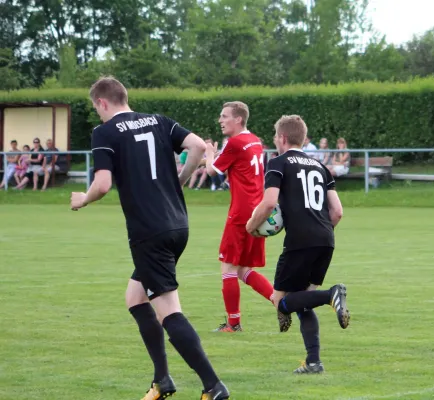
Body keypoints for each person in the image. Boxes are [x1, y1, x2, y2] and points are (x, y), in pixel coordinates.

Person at [69, 76, 230, 400]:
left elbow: (101, 184)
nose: (98, 115)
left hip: (148, 231)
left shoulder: (105, 132)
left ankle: (213, 386)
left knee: (168, 311)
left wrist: (82, 199)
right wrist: (180, 179)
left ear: (102, 102)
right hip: (177, 225)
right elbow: (198, 147)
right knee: (135, 298)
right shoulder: (159, 121)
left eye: (96, 109)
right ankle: (162, 380)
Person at [246, 115, 349, 374]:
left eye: (274, 137)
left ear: (282, 138)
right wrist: (319, 230)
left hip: (299, 241)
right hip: (326, 239)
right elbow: (337, 212)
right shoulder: (320, 166)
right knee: (303, 302)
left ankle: (331, 295)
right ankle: (314, 362)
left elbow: (269, 203)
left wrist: (250, 226)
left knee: (280, 301)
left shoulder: (278, 163)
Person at [205, 101, 275, 332]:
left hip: (241, 212)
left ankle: (233, 324)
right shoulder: (255, 140)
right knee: (243, 270)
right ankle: (279, 301)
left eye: (224, 116)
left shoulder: (235, 143)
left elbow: (211, 170)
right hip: (258, 209)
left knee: (228, 268)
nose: (220, 120)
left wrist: (209, 152)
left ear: (238, 119)